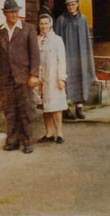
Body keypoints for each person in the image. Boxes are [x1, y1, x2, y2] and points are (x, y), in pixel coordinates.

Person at [0, 0, 40, 154]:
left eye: (16, 11)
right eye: (11, 12)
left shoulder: (28, 29)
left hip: (23, 76)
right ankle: (13, 141)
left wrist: (33, 74)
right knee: (9, 110)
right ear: (4, 13)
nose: (14, 14)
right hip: (5, 78)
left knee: (25, 110)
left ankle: (27, 141)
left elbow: (35, 54)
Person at [54, 0, 97, 120]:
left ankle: (79, 108)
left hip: (79, 56)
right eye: (68, 5)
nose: (71, 7)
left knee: (80, 78)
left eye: (73, 4)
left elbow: (86, 40)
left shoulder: (83, 19)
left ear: (77, 4)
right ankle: (65, 109)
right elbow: (57, 39)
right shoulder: (61, 20)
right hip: (66, 56)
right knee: (65, 80)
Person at [37, 14, 67, 144]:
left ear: (50, 24)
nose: (44, 26)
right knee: (46, 106)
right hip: (41, 77)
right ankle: (49, 133)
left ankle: (59, 133)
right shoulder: (37, 40)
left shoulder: (57, 40)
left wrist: (61, 78)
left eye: (46, 23)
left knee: (56, 106)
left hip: (54, 77)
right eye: (41, 24)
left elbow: (62, 60)